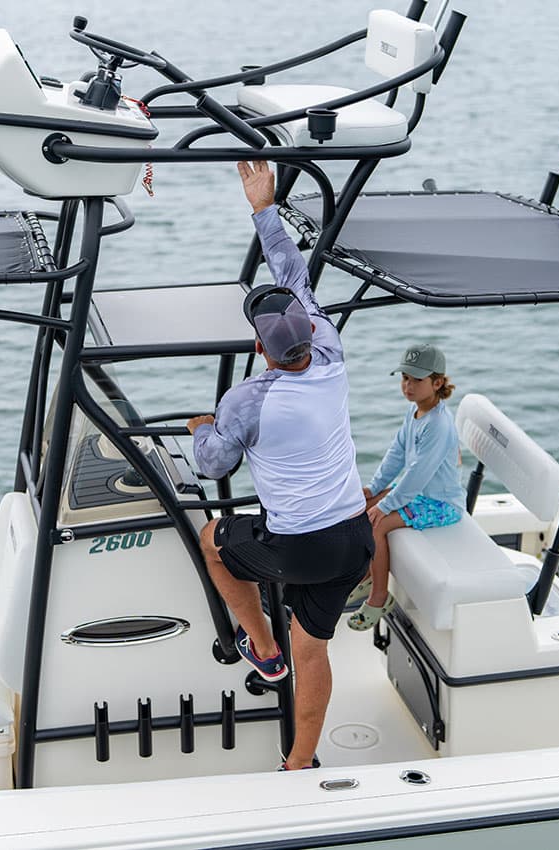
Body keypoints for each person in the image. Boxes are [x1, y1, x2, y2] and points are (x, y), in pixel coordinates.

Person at [187, 160, 373, 771]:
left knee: (213, 540)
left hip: (296, 549)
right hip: (352, 540)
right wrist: (264, 207)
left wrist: (204, 429)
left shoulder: (247, 400)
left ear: (260, 348)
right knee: (315, 651)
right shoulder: (329, 346)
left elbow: (214, 465)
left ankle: (263, 647)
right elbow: (294, 274)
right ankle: (299, 763)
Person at [349, 343, 466, 630]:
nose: (408, 386)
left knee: (377, 523)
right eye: (405, 378)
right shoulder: (414, 413)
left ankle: (379, 598)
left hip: (441, 504)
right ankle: (367, 575)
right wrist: (374, 488)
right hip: (419, 495)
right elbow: (397, 454)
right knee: (360, 507)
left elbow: (418, 474)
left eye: (416, 380)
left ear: (437, 383)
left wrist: (385, 505)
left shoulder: (439, 425)